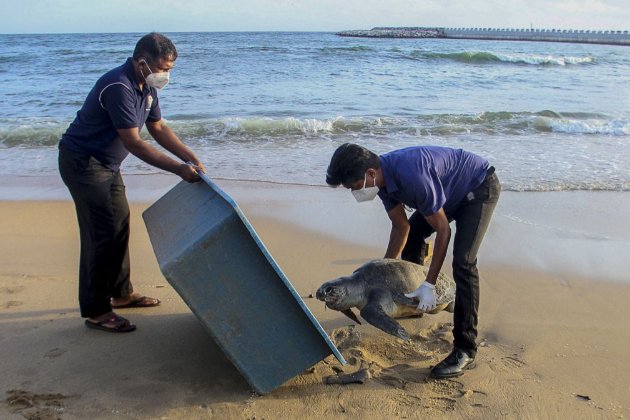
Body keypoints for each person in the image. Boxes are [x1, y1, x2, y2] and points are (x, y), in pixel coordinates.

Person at [58, 33, 206, 333]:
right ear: (142, 63)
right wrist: (179, 170)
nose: (165, 74)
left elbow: (159, 127)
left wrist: (189, 156)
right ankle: (97, 310)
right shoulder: (119, 86)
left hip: (108, 165)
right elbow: (135, 144)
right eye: (162, 68)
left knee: (120, 223)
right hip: (83, 164)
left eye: (170, 69)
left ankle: (122, 293)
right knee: (100, 234)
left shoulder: (146, 86)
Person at [326, 143, 500, 378]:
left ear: (369, 173)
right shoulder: (382, 180)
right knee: (415, 235)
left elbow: (443, 231)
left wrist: (429, 284)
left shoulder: (412, 176)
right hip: (447, 193)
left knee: (464, 262)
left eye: (355, 187)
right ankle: (413, 302)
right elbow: (401, 227)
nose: (354, 192)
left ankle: (465, 350)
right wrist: (378, 274)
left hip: (477, 188)